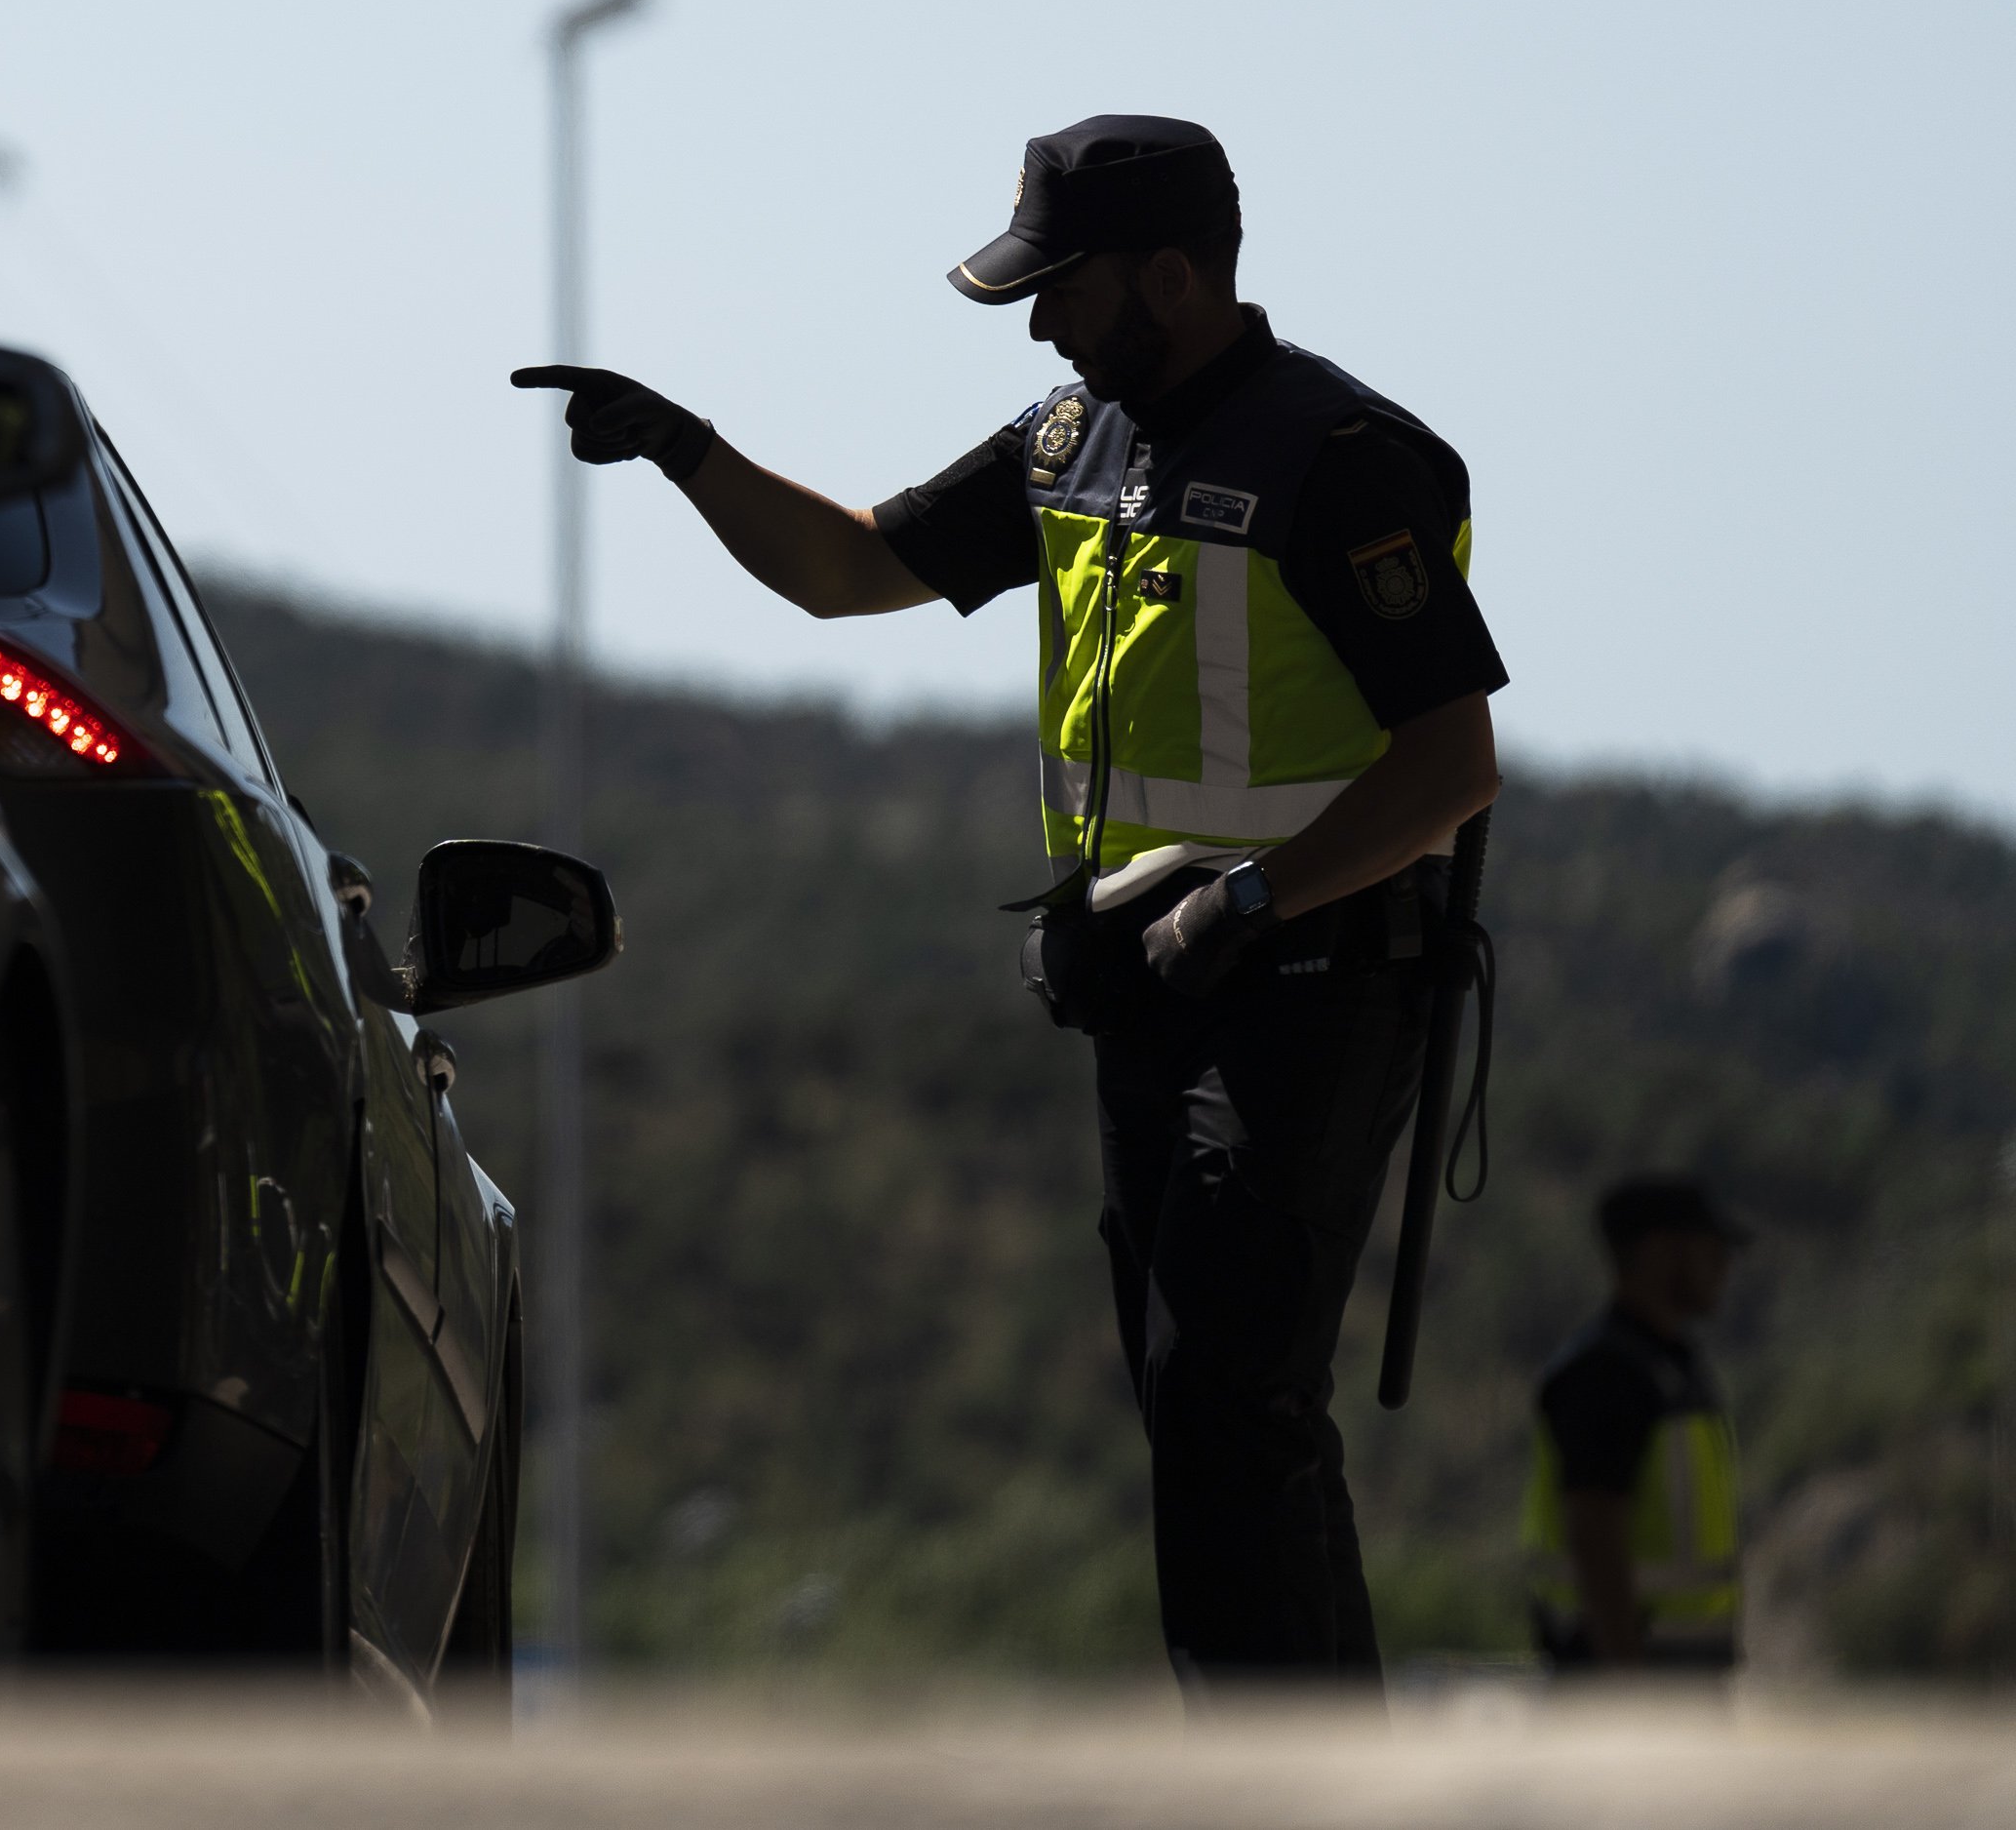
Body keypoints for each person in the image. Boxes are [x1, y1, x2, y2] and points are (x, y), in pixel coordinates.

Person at [515, 115, 1506, 1691]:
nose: (1039, 322)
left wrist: (1252, 898)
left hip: (1312, 975)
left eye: (1063, 288)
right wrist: (684, 445)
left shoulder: (1338, 461)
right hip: (1150, 983)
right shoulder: (1069, 443)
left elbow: (1451, 761)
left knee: (1224, 1400)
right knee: (1209, 1411)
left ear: (1170, 276)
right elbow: (848, 570)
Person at [1523, 1174, 1746, 1674]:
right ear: (1659, 1251)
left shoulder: (1672, 1367)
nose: (1725, 1268)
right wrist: (1630, 1689)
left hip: (1680, 1685)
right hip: (1627, 1694)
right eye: (1710, 1251)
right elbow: (1595, 1533)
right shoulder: (1608, 1374)